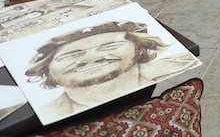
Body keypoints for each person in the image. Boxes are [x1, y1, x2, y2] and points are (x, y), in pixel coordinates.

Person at [25, 21, 197, 121]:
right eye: (70, 55)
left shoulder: (178, 65)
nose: (91, 58)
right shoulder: (43, 115)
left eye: (110, 46)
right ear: (46, 68)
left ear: (139, 49)